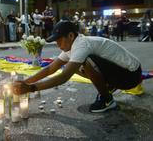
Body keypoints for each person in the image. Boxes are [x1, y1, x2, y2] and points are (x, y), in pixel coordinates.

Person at [13, 20, 142, 113]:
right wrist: (25, 82)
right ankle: (108, 86)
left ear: (70, 35)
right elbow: (50, 69)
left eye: (59, 40)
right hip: (121, 73)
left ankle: (107, 99)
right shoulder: (71, 47)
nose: (58, 44)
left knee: (84, 62)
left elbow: (63, 77)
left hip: (130, 76)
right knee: (73, 66)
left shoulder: (81, 45)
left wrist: (31, 88)